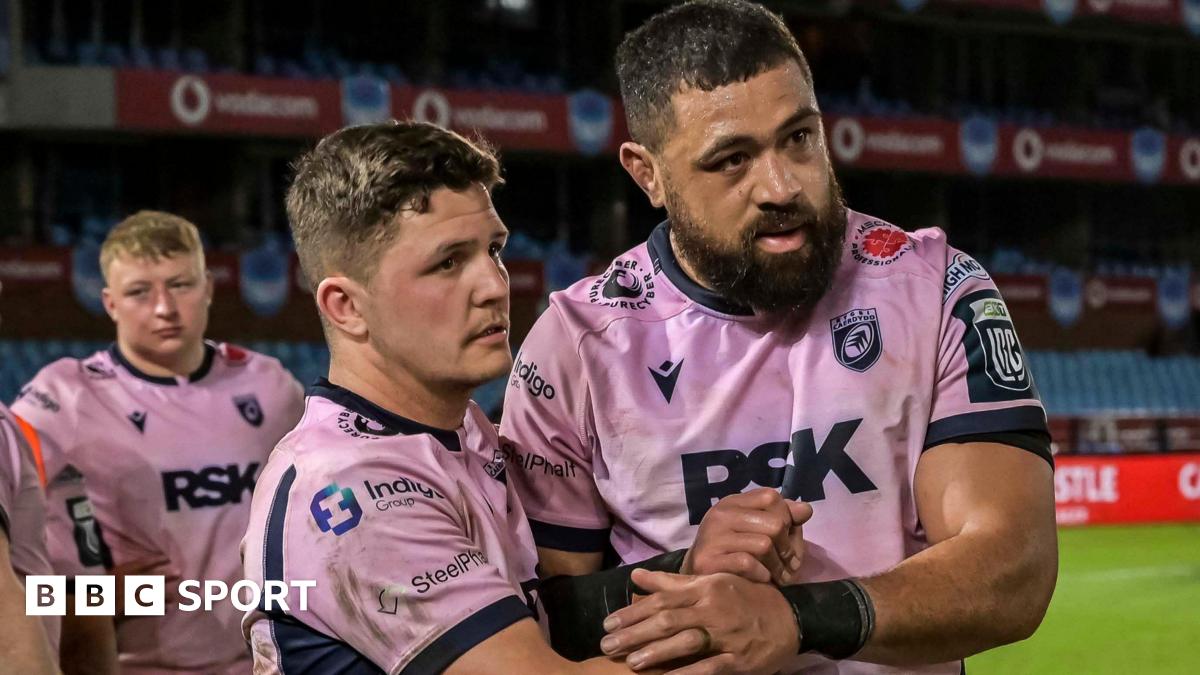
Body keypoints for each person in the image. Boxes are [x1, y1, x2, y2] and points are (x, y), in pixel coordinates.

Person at [498, 1, 1058, 673]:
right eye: (732, 160)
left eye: (798, 138)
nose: (781, 185)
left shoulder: (938, 290)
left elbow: (1012, 568)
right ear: (647, 174)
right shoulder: (577, 347)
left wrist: (797, 619)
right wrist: (686, 568)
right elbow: (538, 619)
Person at [241, 120, 810, 675]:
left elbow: (526, 614)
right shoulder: (355, 487)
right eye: (447, 263)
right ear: (346, 306)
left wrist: (686, 569)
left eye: (493, 250)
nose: (494, 284)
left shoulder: (457, 432)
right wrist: (751, 631)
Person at [12, 212, 304, 674]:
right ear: (110, 303)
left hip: (266, 664)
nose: (165, 308)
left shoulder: (272, 387)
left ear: (207, 286)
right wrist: (104, 594)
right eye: (139, 293)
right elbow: (18, 575)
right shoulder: (62, 398)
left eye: (180, 285)